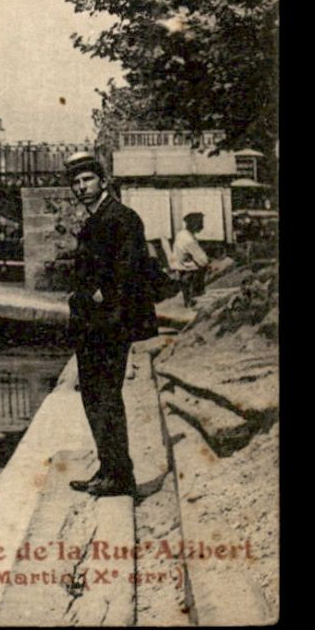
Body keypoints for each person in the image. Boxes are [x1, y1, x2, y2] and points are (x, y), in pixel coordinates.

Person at [61, 151, 156, 498]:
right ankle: (109, 468)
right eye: (75, 182)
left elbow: (130, 270)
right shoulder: (96, 218)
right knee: (95, 396)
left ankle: (120, 475)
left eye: (86, 179)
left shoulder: (121, 218)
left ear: (103, 181)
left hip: (110, 324)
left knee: (106, 396)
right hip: (93, 324)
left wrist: (104, 298)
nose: (80, 187)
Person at [171, 211, 211, 307]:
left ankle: (188, 300)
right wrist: (207, 263)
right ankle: (196, 294)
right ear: (194, 224)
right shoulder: (189, 240)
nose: (202, 226)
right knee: (203, 267)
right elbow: (202, 259)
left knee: (186, 285)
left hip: (179, 266)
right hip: (188, 268)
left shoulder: (181, 234)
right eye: (200, 223)